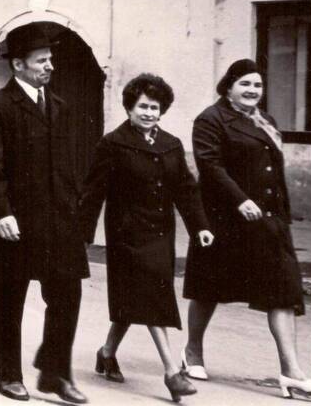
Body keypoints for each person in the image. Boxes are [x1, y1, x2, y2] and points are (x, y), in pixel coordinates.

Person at [182, 59, 311, 399]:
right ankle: (192, 352)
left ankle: (291, 371)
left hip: (268, 223)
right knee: (209, 288)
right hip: (226, 220)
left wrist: (282, 216)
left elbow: (272, 170)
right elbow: (210, 165)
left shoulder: (265, 121)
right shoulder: (211, 119)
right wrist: (239, 199)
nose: (252, 91)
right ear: (229, 87)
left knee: (283, 291)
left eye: (257, 85)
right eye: (245, 84)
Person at [0, 23, 89, 404]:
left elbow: (69, 167)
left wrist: (76, 212)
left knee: (67, 294)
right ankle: (8, 373)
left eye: (50, 60)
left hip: (58, 221)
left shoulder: (59, 107)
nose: (49, 67)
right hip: (15, 223)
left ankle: (55, 372)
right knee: (10, 298)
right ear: (19, 65)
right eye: (41, 61)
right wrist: (1, 212)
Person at [80, 73, 213, 401]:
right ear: (129, 108)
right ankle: (172, 372)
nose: (149, 113)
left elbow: (185, 189)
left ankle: (107, 351)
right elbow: (94, 190)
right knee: (151, 295)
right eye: (142, 106)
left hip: (160, 233)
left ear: (162, 110)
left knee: (137, 299)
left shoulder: (171, 144)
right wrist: (82, 233)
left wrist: (201, 227)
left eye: (154, 107)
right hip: (127, 234)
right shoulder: (112, 143)